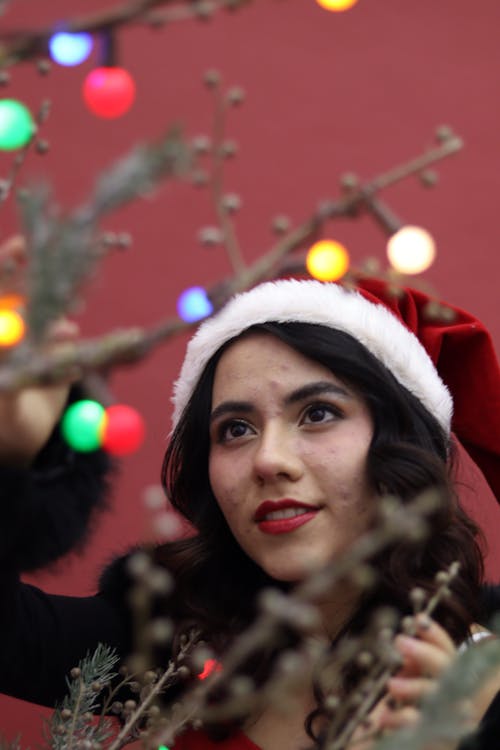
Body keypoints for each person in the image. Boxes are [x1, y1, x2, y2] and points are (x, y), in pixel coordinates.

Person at [1, 272, 500, 749]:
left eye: (318, 413)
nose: (268, 461)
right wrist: (15, 453)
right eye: (237, 428)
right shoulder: (176, 640)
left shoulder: (481, 680)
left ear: (403, 444)